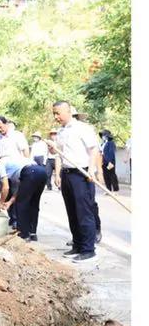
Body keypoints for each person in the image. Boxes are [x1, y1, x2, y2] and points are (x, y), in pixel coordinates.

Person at [49, 99, 103, 262]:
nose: (56, 117)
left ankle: (88, 249)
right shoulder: (61, 132)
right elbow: (59, 154)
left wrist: (92, 170)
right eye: (54, 114)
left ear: (68, 111)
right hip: (67, 174)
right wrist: (57, 174)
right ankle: (78, 245)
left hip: (82, 174)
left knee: (84, 212)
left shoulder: (83, 128)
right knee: (72, 212)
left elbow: (94, 149)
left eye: (58, 113)